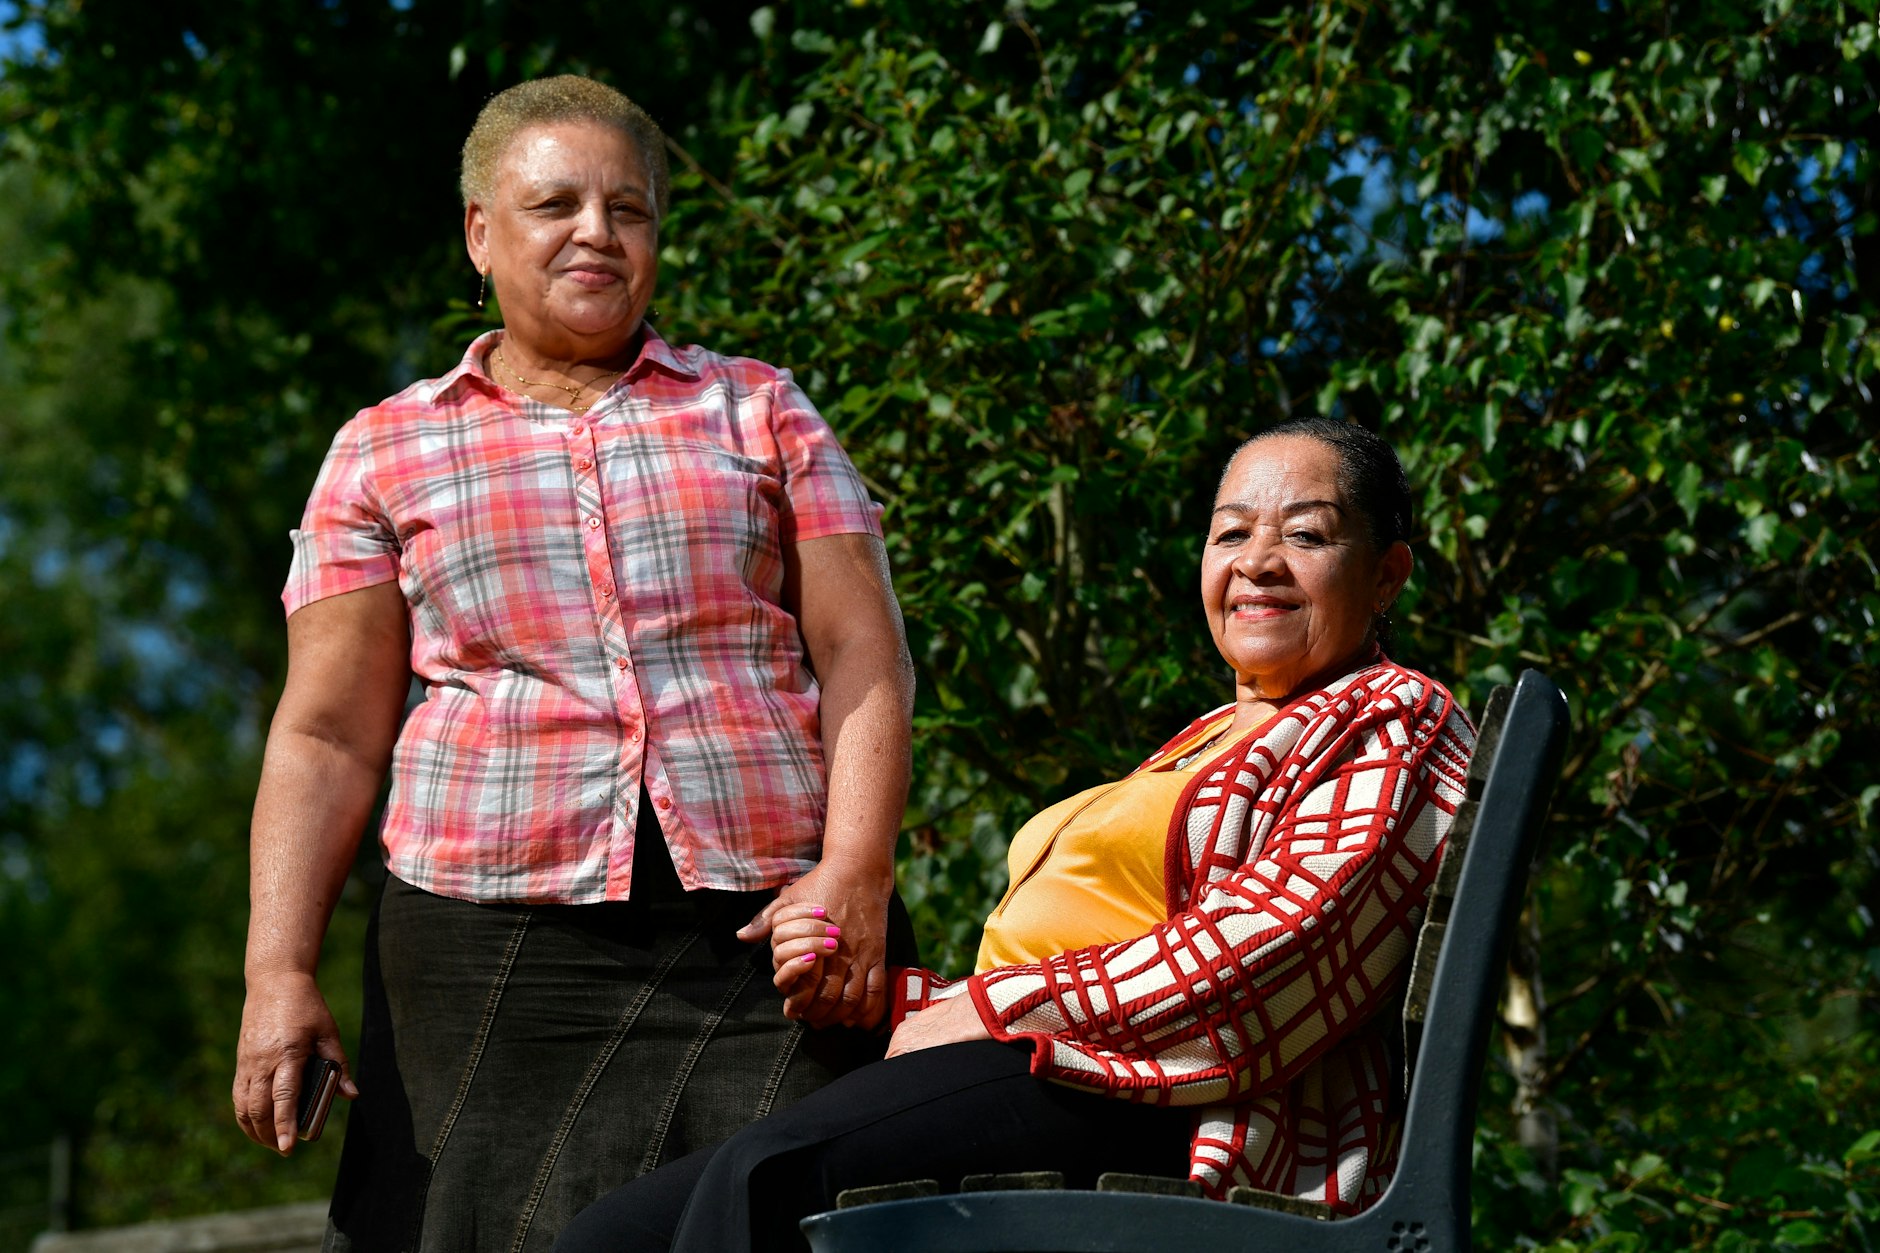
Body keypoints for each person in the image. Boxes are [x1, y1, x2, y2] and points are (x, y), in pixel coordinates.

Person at [230, 75, 916, 1253]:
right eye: (553, 204)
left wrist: (855, 869)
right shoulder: (383, 447)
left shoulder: (760, 409)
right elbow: (327, 734)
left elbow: (863, 650)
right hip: (485, 959)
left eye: (629, 209)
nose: (596, 232)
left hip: (773, 948)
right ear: (478, 233)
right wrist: (275, 970)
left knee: (795, 1224)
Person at [553, 418, 1477, 1253]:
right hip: (1054, 1058)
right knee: (615, 1234)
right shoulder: (1204, 739)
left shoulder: (1392, 712)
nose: (1258, 560)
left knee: (772, 1180)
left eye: (1306, 534)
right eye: (1232, 532)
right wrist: (889, 992)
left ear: (1386, 572)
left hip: (1163, 1097)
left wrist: (995, 1013)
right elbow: (1075, 947)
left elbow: (1275, 946)